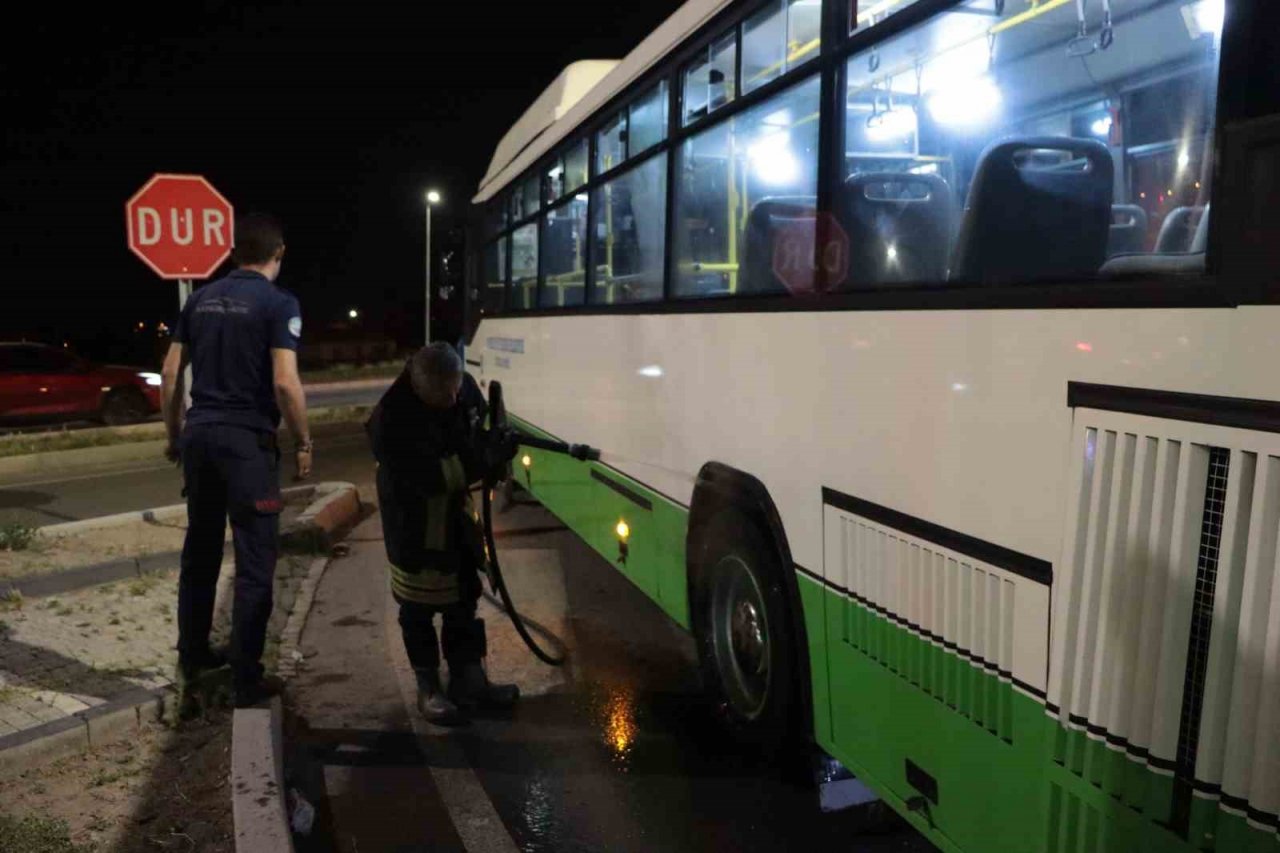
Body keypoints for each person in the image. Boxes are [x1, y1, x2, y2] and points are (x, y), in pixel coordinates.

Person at [160, 212, 312, 709]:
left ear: (232, 253)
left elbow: (169, 374)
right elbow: (285, 383)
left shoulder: (201, 299)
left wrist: (174, 435)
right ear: (279, 252)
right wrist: (304, 442)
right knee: (254, 562)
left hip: (199, 438)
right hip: (246, 444)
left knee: (199, 553)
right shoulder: (278, 302)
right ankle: (245, 677)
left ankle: (195, 654)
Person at [366, 342, 519, 725]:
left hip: (454, 515)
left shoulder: (460, 387)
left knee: (464, 596)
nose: (452, 399)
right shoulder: (391, 417)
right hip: (412, 520)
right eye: (442, 395)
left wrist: (495, 450)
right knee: (417, 607)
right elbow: (428, 477)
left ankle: (470, 679)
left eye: (455, 390)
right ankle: (428, 687)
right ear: (418, 385)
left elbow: (476, 428)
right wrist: (480, 463)